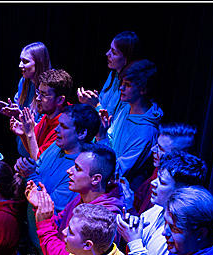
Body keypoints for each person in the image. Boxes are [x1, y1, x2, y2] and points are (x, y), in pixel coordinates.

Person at [18, 105, 102, 255]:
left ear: (82, 133)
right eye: (58, 124)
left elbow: (52, 209)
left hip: (52, 250)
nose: (56, 130)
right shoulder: (57, 146)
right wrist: (27, 170)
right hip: (35, 240)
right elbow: (39, 166)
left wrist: (30, 175)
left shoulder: (80, 170)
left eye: (63, 126)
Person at [116, 150, 208, 255]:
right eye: (157, 178)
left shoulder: (182, 232)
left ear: (182, 191)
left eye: (162, 182)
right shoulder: (157, 208)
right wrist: (132, 224)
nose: (153, 184)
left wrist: (134, 242)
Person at [101, 59, 163, 191]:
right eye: (122, 83)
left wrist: (101, 138)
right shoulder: (126, 108)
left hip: (118, 193)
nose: (121, 88)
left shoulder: (146, 132)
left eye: (128, 85)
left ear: (143, 89)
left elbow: (117, 171)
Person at [78, 31, 141, 152]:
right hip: (96, 140)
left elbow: (112, 127)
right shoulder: (113, 76)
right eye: (109, 50)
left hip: (108, 148)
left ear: (127, 58)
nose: (107, 54)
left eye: (114, 52)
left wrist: (95, 105)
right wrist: (91, 102)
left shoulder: (131, 90)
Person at [0, 41, 52, 158]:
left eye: (25, 62)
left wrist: (20, 115)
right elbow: (20, 110)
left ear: (39, 63)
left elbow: (45, 128)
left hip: (39, 153)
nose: (20, 65)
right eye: (21, 60)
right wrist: (12, 111)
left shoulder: (49, 87)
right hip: (24, 150)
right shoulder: (24, 82)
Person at [132, 122, 198, 214]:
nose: (153, 150)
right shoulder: (158, 170)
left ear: (176, 156)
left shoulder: (175, 190)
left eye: (160, 149)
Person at [12, 68, 75, 161]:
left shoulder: (64, 126)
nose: (38, 98)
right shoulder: (48, 115)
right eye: (38, 92)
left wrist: (29, 132)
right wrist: (24, 134)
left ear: (60, 100)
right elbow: (34, 149)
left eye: (44, 94)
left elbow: (40, 162)